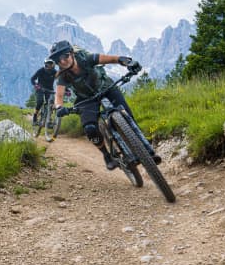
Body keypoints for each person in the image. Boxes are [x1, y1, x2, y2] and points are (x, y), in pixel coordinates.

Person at [48, 39, 160, 170]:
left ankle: (146, 152)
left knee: (127, 114)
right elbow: (59, 95)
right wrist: (59, 107)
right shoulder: (63, 75)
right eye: (57, 60)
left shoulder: (87, 59)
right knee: (90, 128)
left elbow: (112, 59)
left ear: (72, 53)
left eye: (65, 55)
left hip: (106, 87)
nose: (62, 61)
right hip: (87, 99)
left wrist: (128, 62)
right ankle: (107, 155)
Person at [30, 58, 58, 125]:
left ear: (53, 65)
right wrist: (36, 85)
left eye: (50, 64)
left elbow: (61, 81)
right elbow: (32, 79)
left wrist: (66, 89)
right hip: (40, 88)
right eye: (48, 64)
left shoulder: (55, 72)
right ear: (45, 64)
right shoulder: (41, 70)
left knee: (51, 104)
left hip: (50, 89)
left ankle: (49, 119)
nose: (49, 65)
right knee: (40, 101)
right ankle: (35, 117)